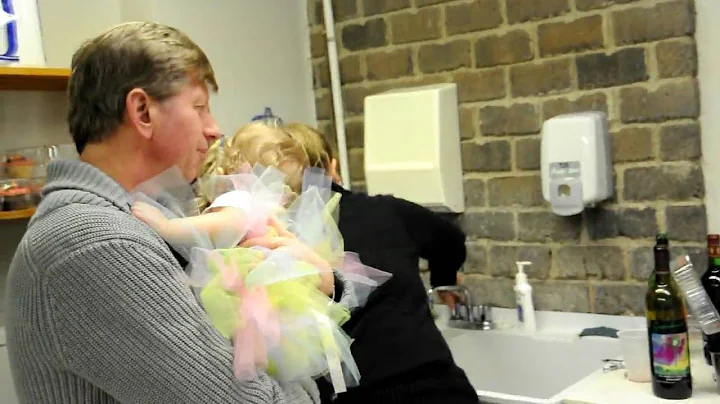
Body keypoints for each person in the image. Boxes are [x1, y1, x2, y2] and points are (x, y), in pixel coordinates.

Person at [4, 22, 353, 404]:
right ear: (142, 111)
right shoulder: (97, 242)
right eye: (199, 107)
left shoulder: (142, 219)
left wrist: (321, 285)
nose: (214, 129)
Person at [214, 119, 479, 403]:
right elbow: (451, 241)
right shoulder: (388, 212)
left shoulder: (269, 242)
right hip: (436, 384)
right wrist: (444, 278)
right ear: (333, 167)